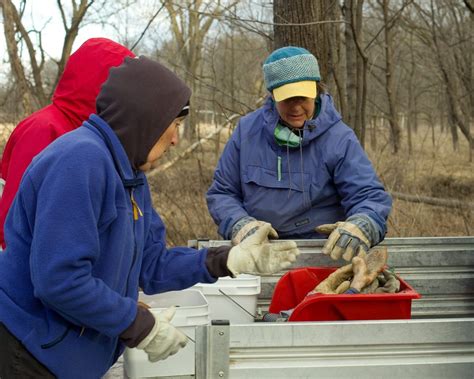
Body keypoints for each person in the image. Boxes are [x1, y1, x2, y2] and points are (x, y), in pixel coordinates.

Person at [0, 56, 300, 378]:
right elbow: (59, 280)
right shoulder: (80, 161)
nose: (175, 139)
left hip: (68, 358)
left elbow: (152, 264)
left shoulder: (130, 174)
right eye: (175, 125)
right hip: (28, 353)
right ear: (147, 119)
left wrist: (227, 260)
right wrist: (138, 324)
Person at [206, 46, 392, 262]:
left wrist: (364, 223)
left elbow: (368, 195)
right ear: (273, 96)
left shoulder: (339, 138)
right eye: (287, 99)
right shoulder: (247, 132)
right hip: (259, 252)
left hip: (322, 253)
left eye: (303, 98)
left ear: (316, 91)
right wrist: (239, 224)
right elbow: (222, 193)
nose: (296, 107)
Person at [0, 37, 135, 249]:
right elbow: (14, 218)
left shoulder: (95, 136)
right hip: (36, 274)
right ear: (102, 84)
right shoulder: (44, 129)